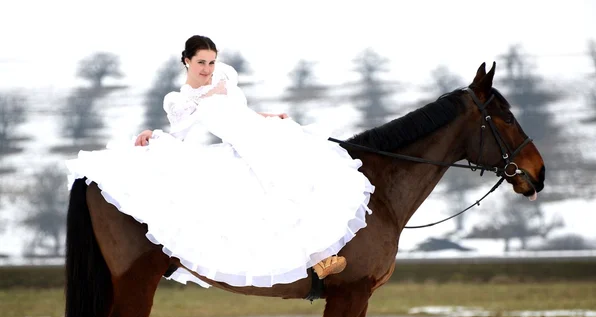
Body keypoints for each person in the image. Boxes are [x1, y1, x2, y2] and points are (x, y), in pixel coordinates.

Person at [66, 35, 374, 288]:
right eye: (201, 62)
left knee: (312, 173)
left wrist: (269, 117)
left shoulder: (225, 76)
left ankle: (326, 257)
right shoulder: (181, 100)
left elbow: (242, 111)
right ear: (186, 60)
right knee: (280, 190)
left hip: (262, 133)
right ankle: (314, 260)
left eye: (211, 62)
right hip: (245, 145)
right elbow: (180, 135)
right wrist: (152, 135)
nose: (207, 68)